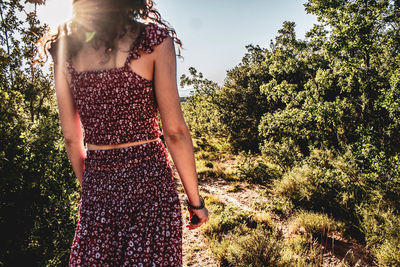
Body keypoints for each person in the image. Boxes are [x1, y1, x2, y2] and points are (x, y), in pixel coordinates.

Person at [45, 0, 209, 265]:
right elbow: (175, 132)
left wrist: (91, 190)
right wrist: (195, 203)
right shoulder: (152, 40)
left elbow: (71, 138)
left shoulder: (66, 51)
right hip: (151, 185)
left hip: (98, 184)